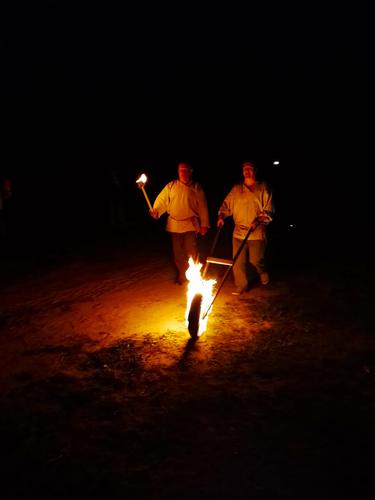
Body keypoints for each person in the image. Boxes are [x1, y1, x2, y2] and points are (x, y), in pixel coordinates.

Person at [217, 161, 273, 295]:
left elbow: (268, 210)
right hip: (238, 232)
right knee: (237, 260)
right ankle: (241, 286)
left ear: (255, 171)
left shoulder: (263, 188)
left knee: (255, 260)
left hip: (256, 232)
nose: (247, 171)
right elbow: (226, 204)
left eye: (250, 169)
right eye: (245, 169)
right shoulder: (237, 189)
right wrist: (221, 216)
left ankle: (262, 271)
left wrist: (258, 220)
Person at [150, 162, 209, 284]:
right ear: (178, 172)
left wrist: (204, 224)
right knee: (178, 253)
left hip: (190, 225)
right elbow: (162, 201)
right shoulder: (171, 186)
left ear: (190, 171)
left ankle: (194, 276)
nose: (182, 172)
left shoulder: (196, 187)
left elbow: (203, 206)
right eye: (180, 170)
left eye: (185, 170)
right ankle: (182, 275)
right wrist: (156, 210)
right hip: (174, 225)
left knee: (191, 251)